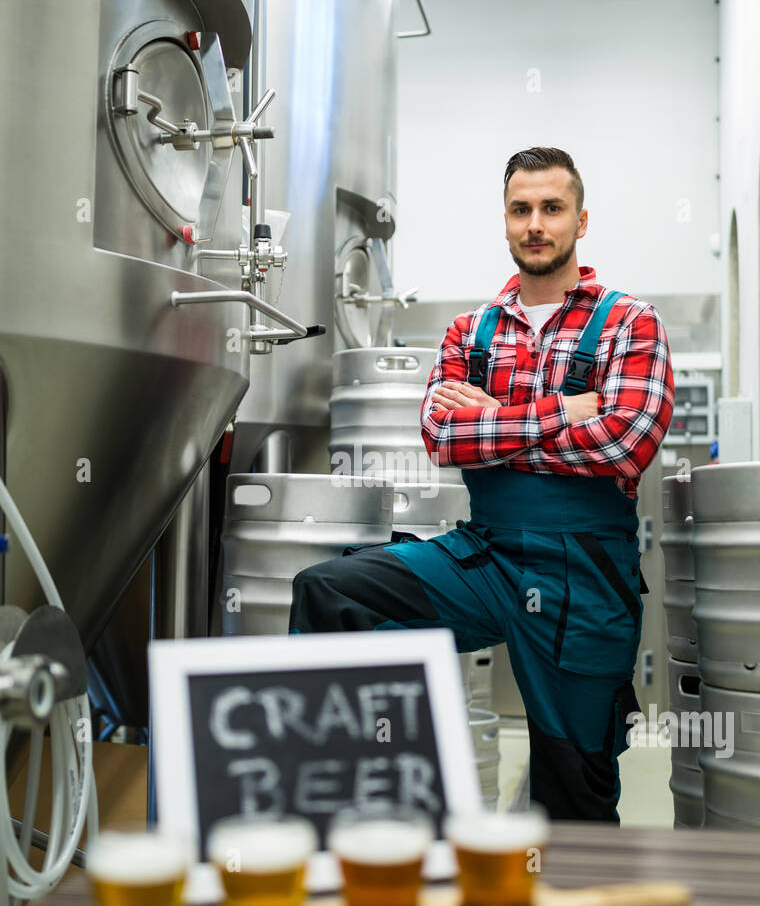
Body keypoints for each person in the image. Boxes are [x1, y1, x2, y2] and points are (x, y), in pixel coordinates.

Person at [289, 147, 674, 821]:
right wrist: (557, 415)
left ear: (581, 221)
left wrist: (491, 421)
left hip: (584, 576)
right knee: (329, 592)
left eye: (552, 208)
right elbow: (441, 440)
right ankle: (346, 815)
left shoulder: (629, 322)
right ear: (504, 220)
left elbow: (623, 443)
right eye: (521, 209)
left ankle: (571, 903)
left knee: (573, 789)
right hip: (485, 554)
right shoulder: (471, 332)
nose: (536, 223)